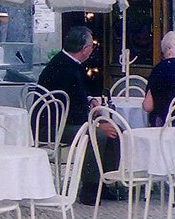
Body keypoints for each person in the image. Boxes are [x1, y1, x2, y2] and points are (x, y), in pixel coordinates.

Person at [38, 25, 118, 202]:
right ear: (84, 49)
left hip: (60, 120)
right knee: (97, 135)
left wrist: (90, 99)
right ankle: (90, 189)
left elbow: (77, 97)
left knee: (113, 131)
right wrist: (97, 124)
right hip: (53, 126)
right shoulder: (67, 70)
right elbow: (74, 111)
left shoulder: (67, 63)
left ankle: (105, 181)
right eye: (91, 46)